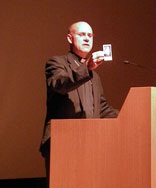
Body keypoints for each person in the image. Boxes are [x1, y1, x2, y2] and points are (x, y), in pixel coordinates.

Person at [39, 21, 118, 188]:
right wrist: (86, 68)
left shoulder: (94, 77)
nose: (87, 39)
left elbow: (101, 109)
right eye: (82, 35)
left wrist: (129, 114)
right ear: (70, 38)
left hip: (90, 145)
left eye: (90, 35)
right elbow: (59, 84)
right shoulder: (56, 63)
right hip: (62, 145)